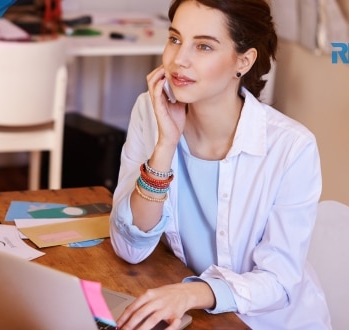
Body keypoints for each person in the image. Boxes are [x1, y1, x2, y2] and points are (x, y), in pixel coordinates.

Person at [109, 0, 332, 329]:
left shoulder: (292, 148)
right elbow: (129, 247)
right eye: (174, 39)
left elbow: (279, 281)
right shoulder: (151, 109)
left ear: (243, 61)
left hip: (267, 322)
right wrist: (166, 144)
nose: (179, 60)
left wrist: (193, 294)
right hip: (197, 315)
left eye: (203, 46)